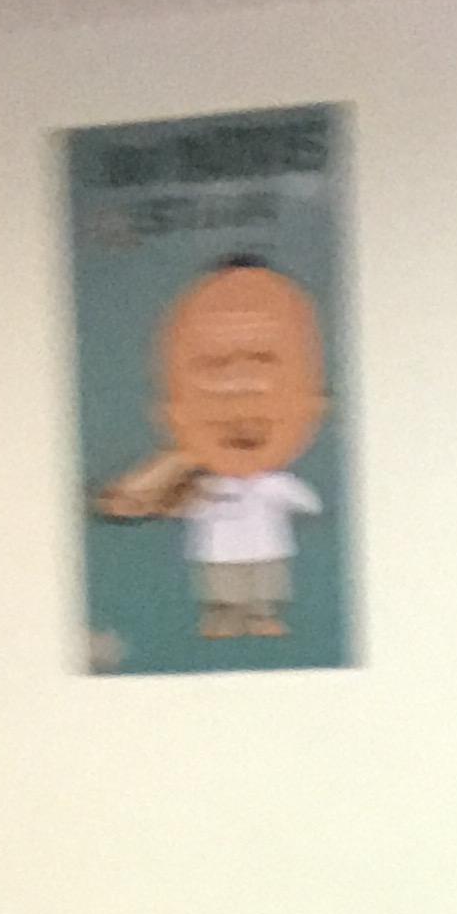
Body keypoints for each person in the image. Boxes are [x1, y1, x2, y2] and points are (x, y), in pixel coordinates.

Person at [95, 256, 328, 638]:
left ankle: (260, 614)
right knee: (222, 586)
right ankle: (222, 616)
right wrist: (180, 458)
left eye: (264, 360)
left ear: (315, 404)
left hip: (266, 553)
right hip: (217, 557)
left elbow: (308, 505)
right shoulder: (194, 485)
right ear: (168, 411)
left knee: (264, 584)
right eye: (212, 364)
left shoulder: (276, 486)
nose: (238, 385)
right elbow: (122, 503)